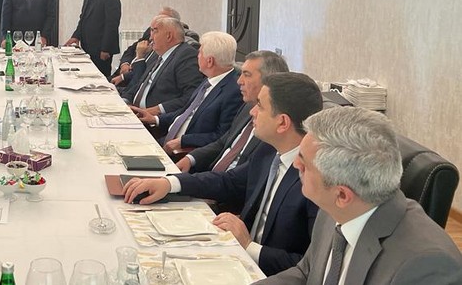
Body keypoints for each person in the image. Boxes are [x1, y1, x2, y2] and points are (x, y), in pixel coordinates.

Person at [124, 72, 322, 276]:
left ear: (282, 123)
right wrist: (170, 184)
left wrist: (249, 246)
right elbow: (229, 182)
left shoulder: (315, 182)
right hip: (236, 253)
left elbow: (310, 268)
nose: (252, 112)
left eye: (260, 106)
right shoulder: (268, 150)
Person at [256, 106, 462, 284]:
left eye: (304, 164)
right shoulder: (334, 209)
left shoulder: (426, 266)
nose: (295, 164)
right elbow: (307, 273)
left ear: (342, 195)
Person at [177, 50, 289, 174]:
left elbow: (242, 178)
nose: (239, 81)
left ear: (268, 81)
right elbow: (223, 143)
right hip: (211, 175)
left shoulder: (272, 126)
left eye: (247, 75)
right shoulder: (247, 107)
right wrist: (191, 158)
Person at [134, 31, 243, 150]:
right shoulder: (209, 79)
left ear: (210, 61)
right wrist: (155, 119)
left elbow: (221, 137)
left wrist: (184, 141)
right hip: (166, 140)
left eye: (200, 52)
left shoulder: (234, 92)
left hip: (183, 151)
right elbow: (185, 112)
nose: (197, 56)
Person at [122, 16, 206, 132]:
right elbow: (140, 84)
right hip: (134, 112)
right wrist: (124, 101)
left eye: (154, 31)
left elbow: (191, 96)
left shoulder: (186, 56)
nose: (150, 37)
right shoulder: (159, 54)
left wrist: (157, 110)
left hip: (153, 123)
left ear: (169, 36)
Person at [64, 0, 122, 77]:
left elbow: (112, 24)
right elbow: (82, 19)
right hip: (87, 48)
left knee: (99, 79)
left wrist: (106, 49)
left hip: (101, 50)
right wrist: (75, 36)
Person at [111, 6, 182, 88]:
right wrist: (124, 64)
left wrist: (139, 56)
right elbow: (131, 49)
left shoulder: (164, 50)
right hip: (123, 74)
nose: (151, 37)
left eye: (162, 21)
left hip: (131, 82)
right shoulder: (150, 34)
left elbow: (145, 75)